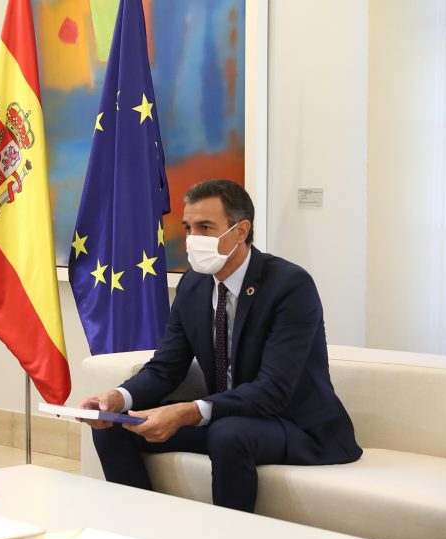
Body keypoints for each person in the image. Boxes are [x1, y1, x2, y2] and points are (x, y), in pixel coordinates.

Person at [79, 179, 362, 513]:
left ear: (240, 231)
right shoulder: (193, 284)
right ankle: (144, 531)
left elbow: (273, 389)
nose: (192, 239)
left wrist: (186, 411)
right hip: (228, 416)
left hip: (295, 425)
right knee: (117, 427)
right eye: (188, 228)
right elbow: (166, 366)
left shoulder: (290, 285)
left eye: (205, 227)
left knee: (229, 433)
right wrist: (117, 398)